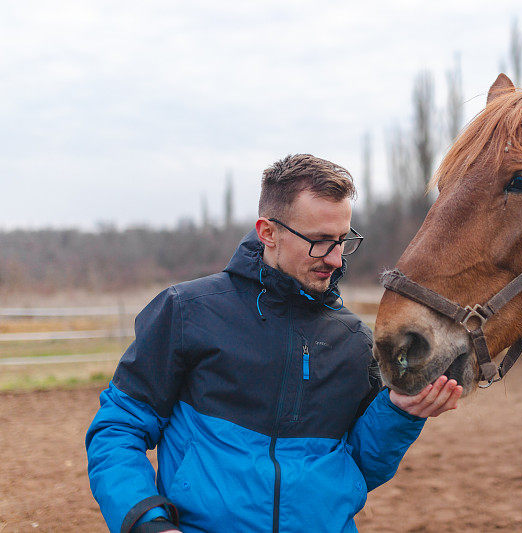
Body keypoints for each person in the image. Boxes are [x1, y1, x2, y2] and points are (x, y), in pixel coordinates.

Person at [86, 154, 463, 533]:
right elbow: (117, 430)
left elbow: (359, 468)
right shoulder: (187, 312)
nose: (334, 259)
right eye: (318, 241)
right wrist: (147, 523)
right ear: (268, 232)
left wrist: (399, 414)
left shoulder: (355, 342)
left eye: (341, 240)